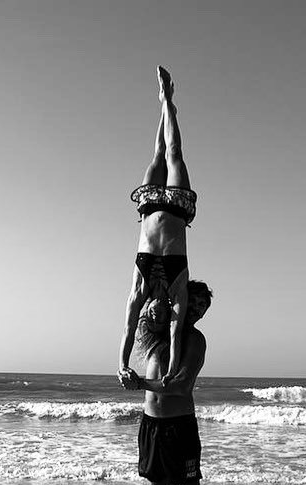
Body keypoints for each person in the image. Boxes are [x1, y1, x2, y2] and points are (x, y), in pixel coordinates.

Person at [118, 280, 215, 485]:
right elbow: (142, 313)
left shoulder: (195, 340)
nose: (197, 309)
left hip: (179, 426)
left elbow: (182, 384)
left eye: (202, 306)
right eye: (193, 302)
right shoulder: (159, 332)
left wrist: (140, 384)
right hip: (152, 425)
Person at [119, 66, 197, 385]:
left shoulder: (140, 288)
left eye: (149, 316)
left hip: (150, 206)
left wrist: (122, 365)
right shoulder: (178, 290)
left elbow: (127, 327)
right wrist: (171, 369)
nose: (154, 313)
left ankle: (165, 103)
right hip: (176, 207)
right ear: (165, 315)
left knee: (157, 154)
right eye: (160, 317)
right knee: (174, 153)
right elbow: (176, 334)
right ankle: (168, 102)